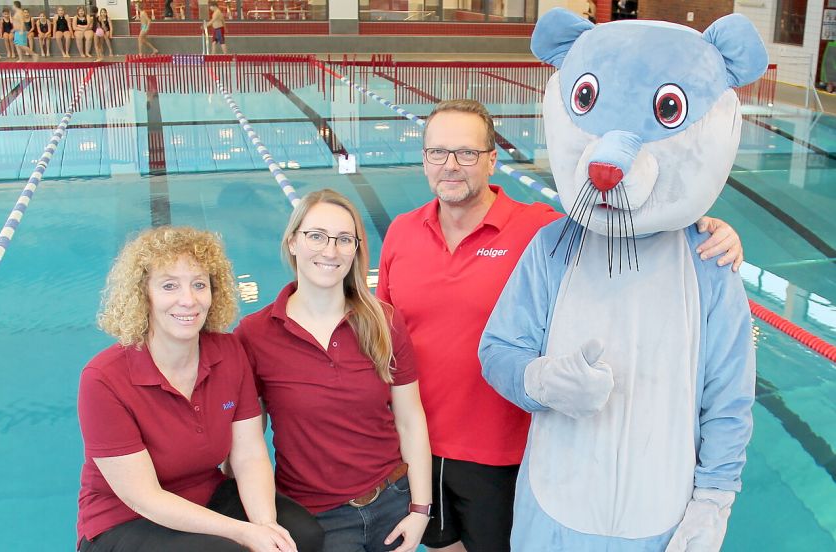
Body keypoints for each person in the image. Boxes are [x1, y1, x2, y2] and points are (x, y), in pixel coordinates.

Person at [375, 99, 745, 552]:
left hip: (505, 454)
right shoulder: (401, 232)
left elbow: (624, 229)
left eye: (466, 153)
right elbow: (383, 342)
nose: (451, 165)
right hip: (420, 446)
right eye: (438, 152)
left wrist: (704, 227)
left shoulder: (544, 231)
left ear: (492, 159)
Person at [77, 226, 324, 552]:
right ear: (143, 295)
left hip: (207, 495)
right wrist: (245, 533)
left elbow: (249, 455)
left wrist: (266, 526)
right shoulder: (104, 379)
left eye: (198, 284)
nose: (188, 300)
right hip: (124, 520)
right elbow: (145, 498)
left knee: (302, 535)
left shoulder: (228, 352)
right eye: (169, 286)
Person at [236, 190, 432, 552]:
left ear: (357, 249)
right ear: (293, 242)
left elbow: (410, 418)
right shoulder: (255, 334)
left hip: (393, 500)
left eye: (344, 239)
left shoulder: (383, 321)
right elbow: (246, 442)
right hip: (317, 520)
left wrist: (421, 508)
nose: (330, 251)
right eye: (317, 236)